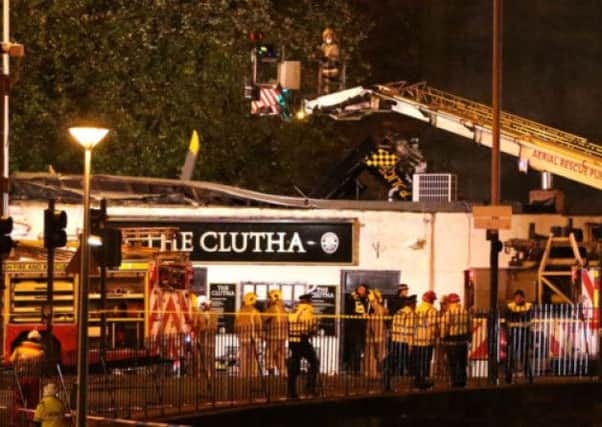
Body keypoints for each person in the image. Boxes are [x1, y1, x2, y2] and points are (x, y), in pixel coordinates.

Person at [287, 293, 319, 398]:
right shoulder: (308, 311)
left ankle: (291, 390)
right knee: (314, 362)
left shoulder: (294, 310)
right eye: (311, 300)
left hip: (292, 339)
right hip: (302, 339)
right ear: (309, 301)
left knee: (295, 364)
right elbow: (310, 326)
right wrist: (313, 331)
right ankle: (310, 387)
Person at [383, 294, 417, 391]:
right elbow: (410, 330)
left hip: (395, 340)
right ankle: (395, 384)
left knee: (394, 361)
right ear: (412, 304)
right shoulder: (410, 313)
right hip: (404, 341)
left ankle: (387, 381)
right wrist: (410, 344)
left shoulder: (399, 312)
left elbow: (394, 326)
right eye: (415, 303)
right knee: (400, 364)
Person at [440, 293, 470, 388]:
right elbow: (470, 327)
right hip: (463, 342)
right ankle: (462, 381)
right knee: (462, 363)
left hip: (451, 342)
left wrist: (443, 337)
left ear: (450, 302)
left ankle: (454, 381)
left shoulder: (448, 314)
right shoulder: (465, 312)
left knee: (453, 363)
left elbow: (444, 329)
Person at [11, 329, 45, 410]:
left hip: (20, 378)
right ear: (38, 340)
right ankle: (31, 420)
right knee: (33, 402)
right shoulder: (40, 352)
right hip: (34, 379)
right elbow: (43, 365)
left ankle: (18, 419)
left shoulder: (18, 349)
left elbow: (12, 360)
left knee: (18, 400)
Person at [505, 289, 533, 384]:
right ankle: (509, 376)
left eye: (520, 297)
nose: (518, 299)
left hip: (524, 335)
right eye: (516, 297)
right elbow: (506, 321)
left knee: (524, 357)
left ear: (523, 298)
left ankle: (528, 375)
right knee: (511, 357)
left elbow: (530, 319)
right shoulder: (510, 307)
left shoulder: (528, 306)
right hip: (513, 335)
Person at [412, 291, 438, 390]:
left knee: (418, 361)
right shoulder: (432, 310)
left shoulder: (417, 309)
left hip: (417, 338)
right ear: (431, 300)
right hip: (427, 339)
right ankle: (423, 381)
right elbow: (433, 325)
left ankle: (417, 380)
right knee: (425, 361)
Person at [234, 292, 263, 377]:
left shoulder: (239, 312)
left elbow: (235, 326)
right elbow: (259, 326)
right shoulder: (255, 312)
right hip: (253, 339)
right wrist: (260, 335)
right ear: (252, 300)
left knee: (243, 358)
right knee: (253, 359)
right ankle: (253, 375)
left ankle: (243, 375)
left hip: (242, 339)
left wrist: (239, 335)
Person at [344, 283, 370, 373]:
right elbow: (348, 311)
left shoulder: (366, 300)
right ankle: (355, 369)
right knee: (355, 348)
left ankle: (355, 368)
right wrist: (361, 315)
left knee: (358, 348)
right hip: (353, 327)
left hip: (361, 327)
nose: (362, 291)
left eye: (363, 290)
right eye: (360, 289)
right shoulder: (352, 298)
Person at [192, 295, 218, 379]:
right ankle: (206, 374)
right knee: (206, 356)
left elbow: (196, 325)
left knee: (205, 356)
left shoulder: (202, 313)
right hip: (206, 337)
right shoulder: (211, 313)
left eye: (204, 304)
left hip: (206, 337)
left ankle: (207, 374)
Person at [365, 289, 388, 379]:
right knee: (378, 355)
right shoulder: (378, 308)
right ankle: (375, 373)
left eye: (372, 300)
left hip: (376, 335)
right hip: (376, 336)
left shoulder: (376, 308)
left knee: (376, 355)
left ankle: (374, 373)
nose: (371, 301)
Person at [264, 289, 288, 376]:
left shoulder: (272, 309)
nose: (268, 300)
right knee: (281, 355)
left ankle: (271, 374)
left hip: (272, 336)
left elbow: (263, 319)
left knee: (269, 355)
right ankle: (283, 373)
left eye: (269, 298)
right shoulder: (283, 309)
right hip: (282, 336)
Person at [318, 27, 340, 94]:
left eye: (330, 36)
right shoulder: (323, 46)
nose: (328, 38)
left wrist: (329, 57)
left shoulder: (335, 46)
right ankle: (324, 90)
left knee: (327, 70)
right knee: (322, 68)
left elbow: (336, 58)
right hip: (324, 66)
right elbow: (320, 55)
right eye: (326, 36)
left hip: (333, 66)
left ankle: (327, 89)